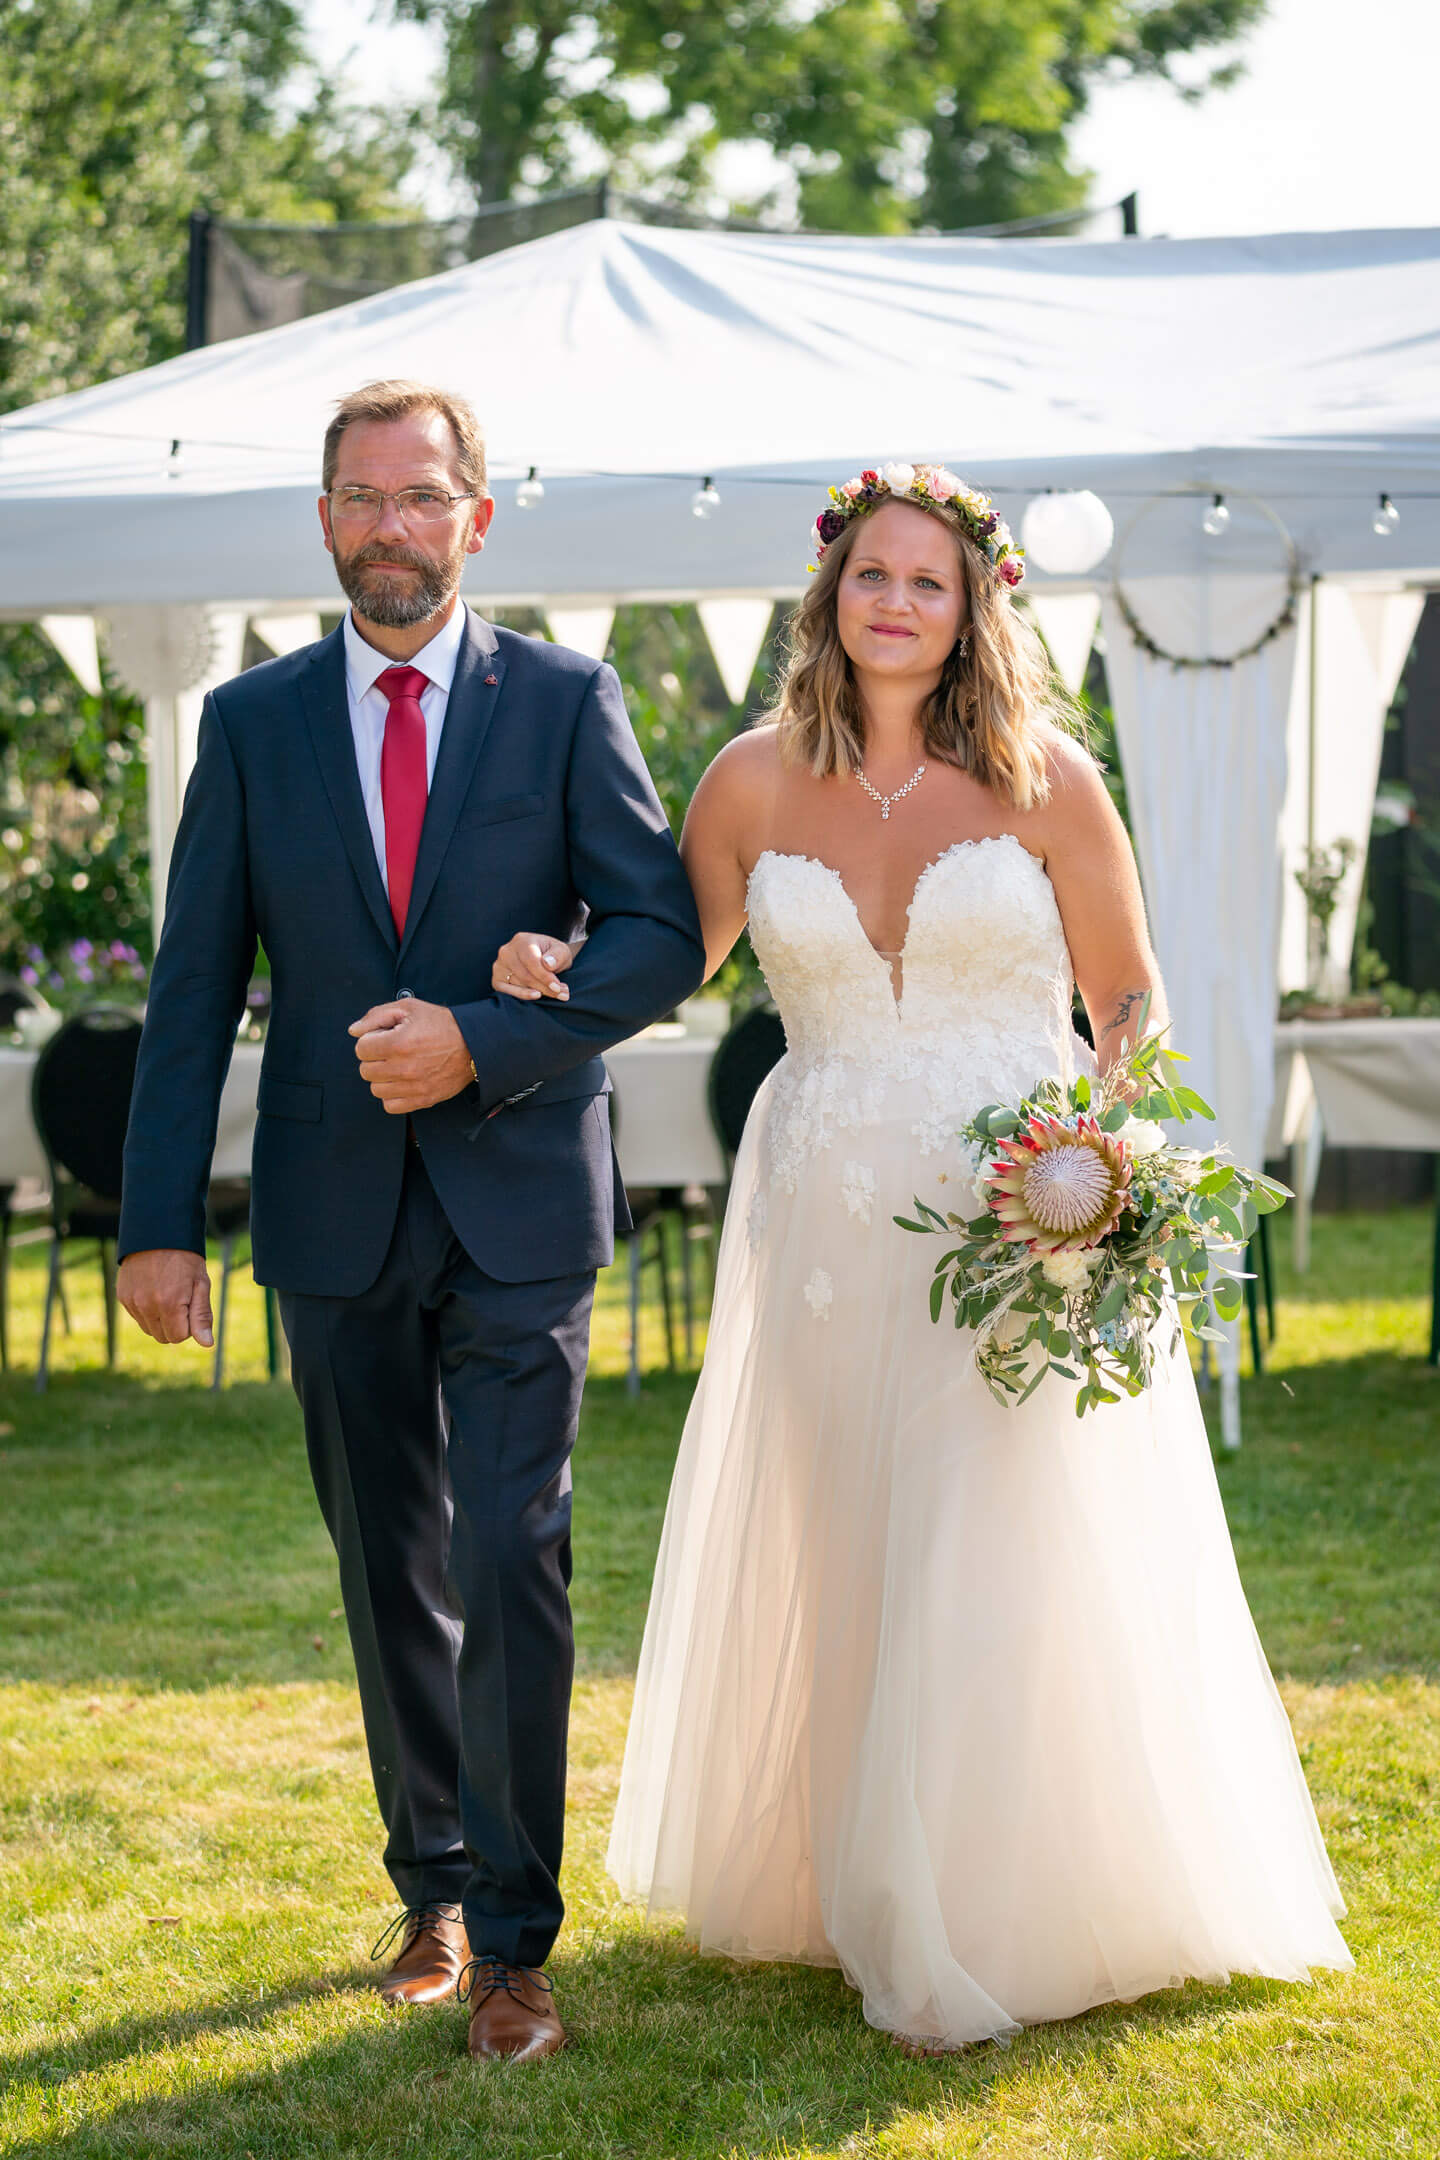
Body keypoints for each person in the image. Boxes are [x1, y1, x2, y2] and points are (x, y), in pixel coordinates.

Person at [493, 463, 1352, 2053]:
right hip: (820, 1211)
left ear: (973, 612)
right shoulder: (750, 781)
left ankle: (991, 1901)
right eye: (872, 575)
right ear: (830, 595)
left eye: (928, 582)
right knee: (851, 1531)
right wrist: (555, 953)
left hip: (1010, 1213)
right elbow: (668, 956)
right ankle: (860, 1883)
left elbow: (1129, 998)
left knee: (992, 1533)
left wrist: (1098, 1165)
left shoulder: (1046, 780)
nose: (896, 601)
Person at [117, 378, 705, 2063]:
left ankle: (520, 1944)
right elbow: (189, 990)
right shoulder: (252, 725)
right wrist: (163, 1217)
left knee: (514, 1554)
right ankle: (433, 1891)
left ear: (476, 516)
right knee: (392, 1568)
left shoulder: (569, 701)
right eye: (361, 500)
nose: (391, 527)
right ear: (324, 521)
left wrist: (496, 1035)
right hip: (330, 1209)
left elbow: (661, 930)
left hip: (521, 1192)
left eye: (420, 497)